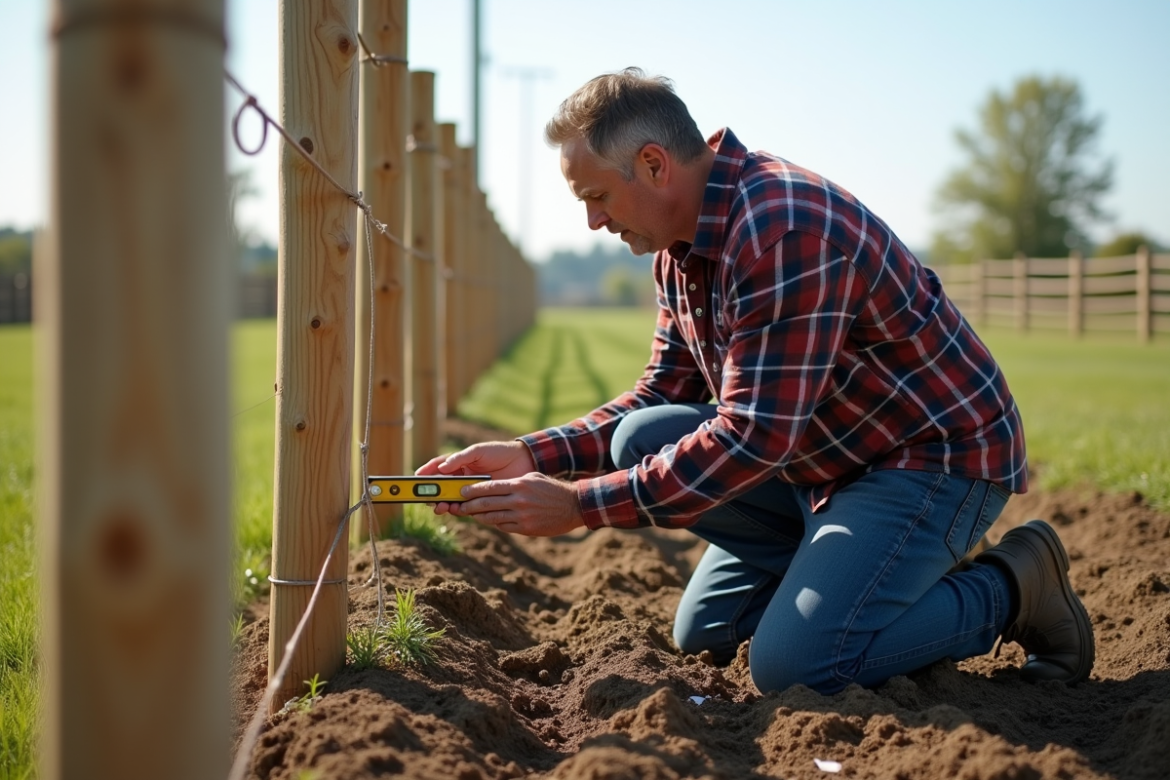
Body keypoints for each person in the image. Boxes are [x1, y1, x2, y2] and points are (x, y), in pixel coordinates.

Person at [417, 68, 1094, 694]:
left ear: (653, 164)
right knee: (698, 599)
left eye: (596, 196)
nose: (593, 220)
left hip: (929, 460)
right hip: (825, 462)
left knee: (795, 666)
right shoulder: (679, 251)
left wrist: (578, 508)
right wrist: (532, 454)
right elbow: (661, 395)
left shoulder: (779, 229)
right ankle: (871, 575)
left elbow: (753, 437)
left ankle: (1014, 585)